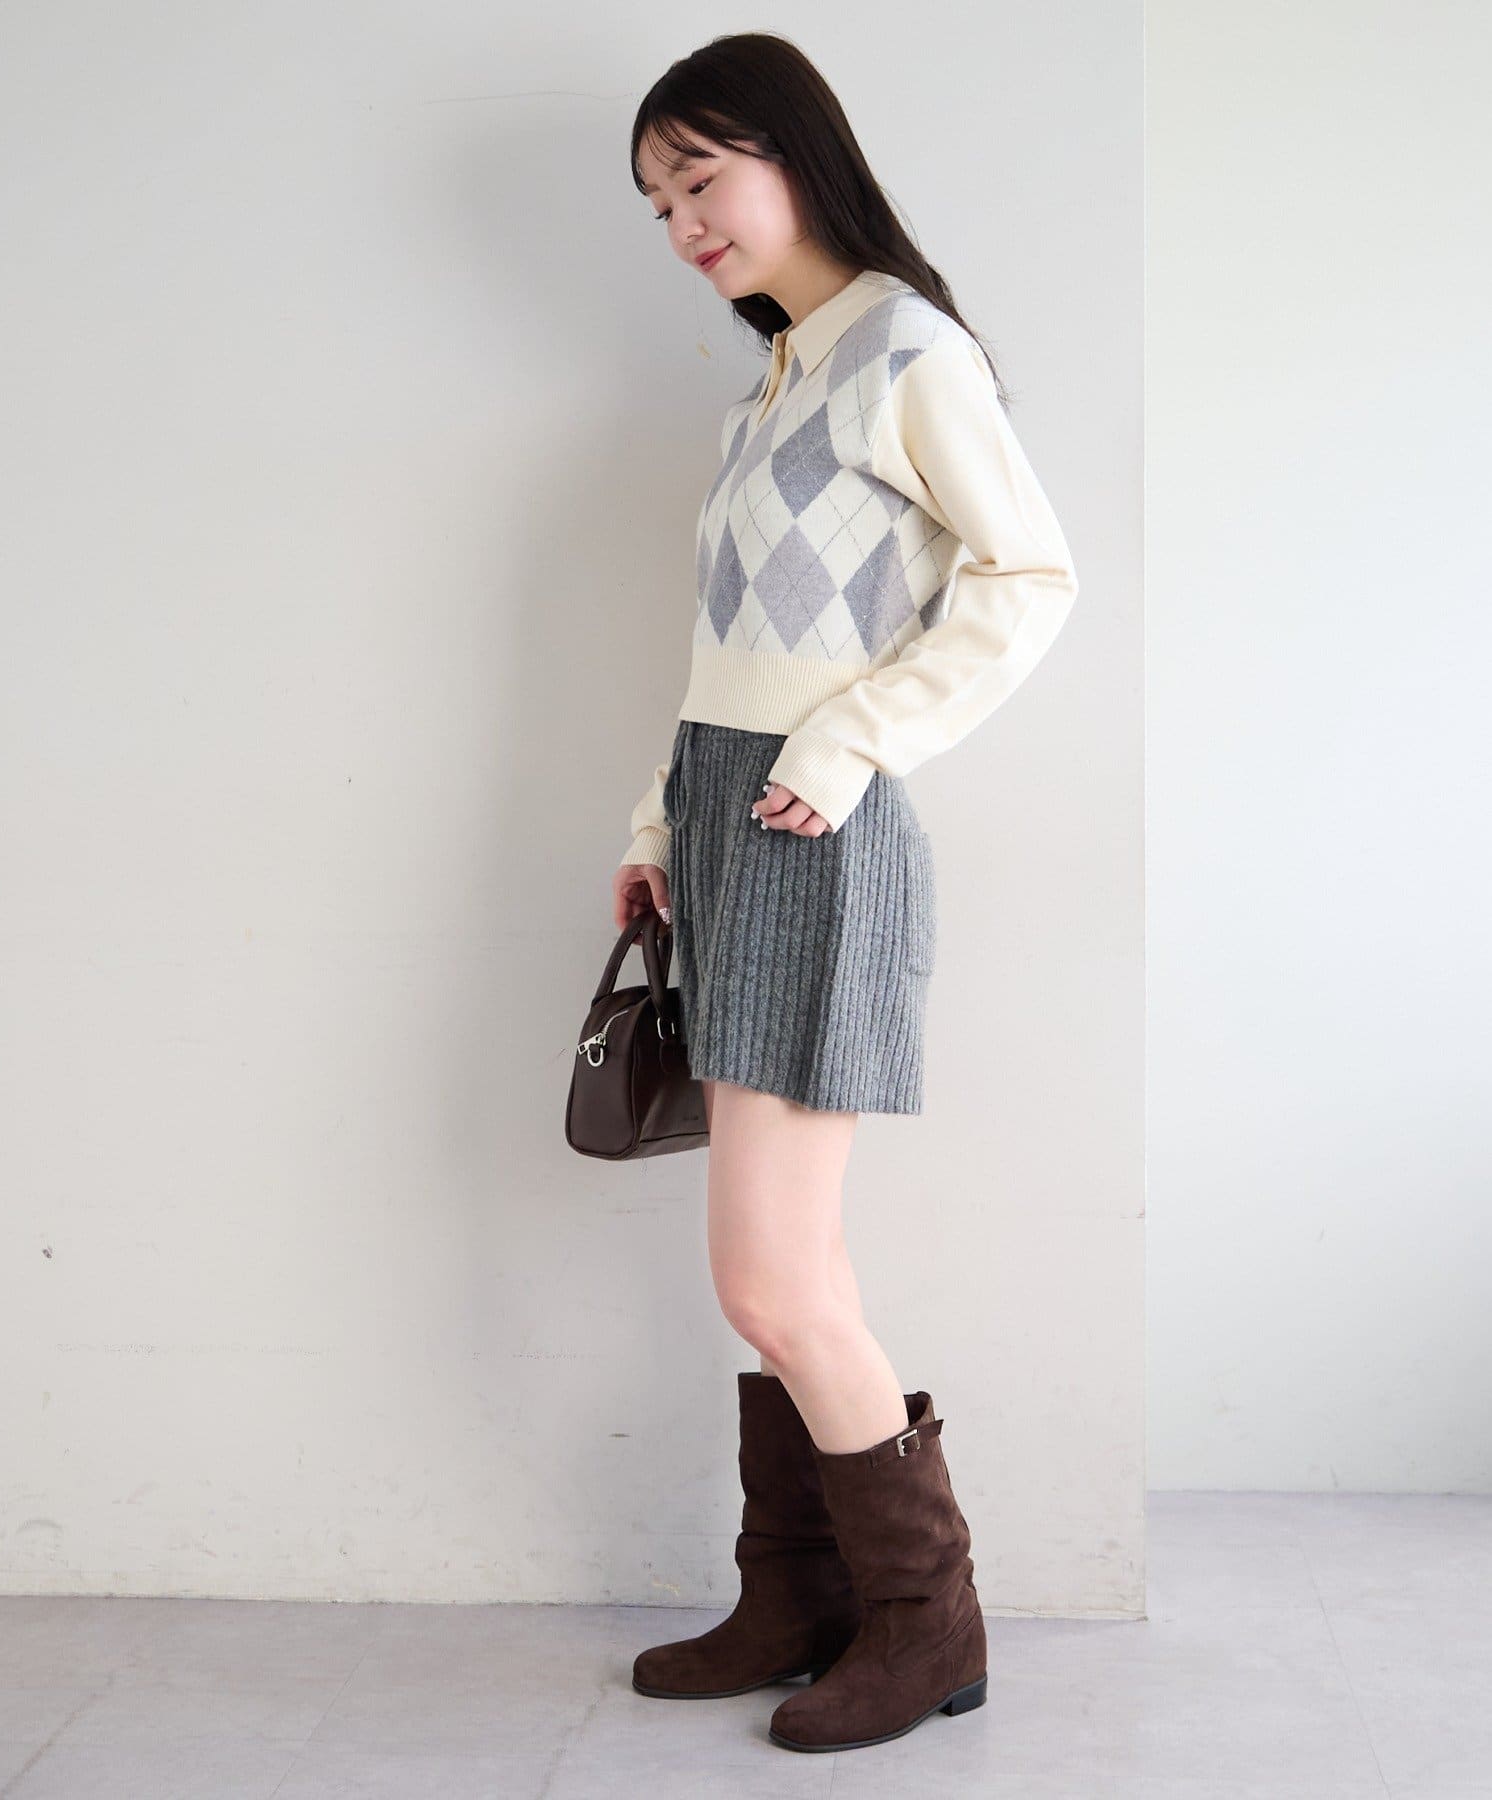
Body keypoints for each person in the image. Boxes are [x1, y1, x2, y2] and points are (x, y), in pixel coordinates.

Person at [611, 32, 1079, 1754]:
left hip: (817, 834)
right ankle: (801, 1597)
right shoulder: (778, 380)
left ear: (796, 153)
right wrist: (659, 824)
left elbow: (1029, 575)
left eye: (701, 178)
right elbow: (729, 645)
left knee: (771, 1277)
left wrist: (861, 736)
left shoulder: (905, 348)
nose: (684, 224)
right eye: (659, 201)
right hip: (734, 822)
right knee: (779, 1267)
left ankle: (926, 1619)